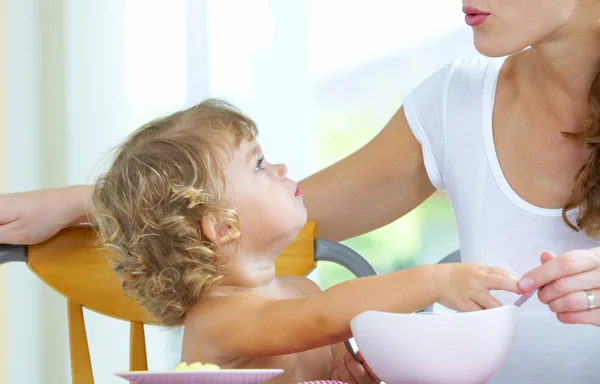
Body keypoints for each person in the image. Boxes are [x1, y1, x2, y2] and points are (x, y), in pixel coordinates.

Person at [1, 1, 599, 382]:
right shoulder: (456, 104)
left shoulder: (293, 287)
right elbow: (264, 228)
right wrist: (97, 199)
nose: (279, 171)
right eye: (262, 163)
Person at [75, 98, 519, 384]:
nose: (282, 168)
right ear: (223, 226)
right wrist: (432, 282)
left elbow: (323, 322)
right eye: (259, 165)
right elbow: (324, 316)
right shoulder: (216, 320)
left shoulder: (303, 289)